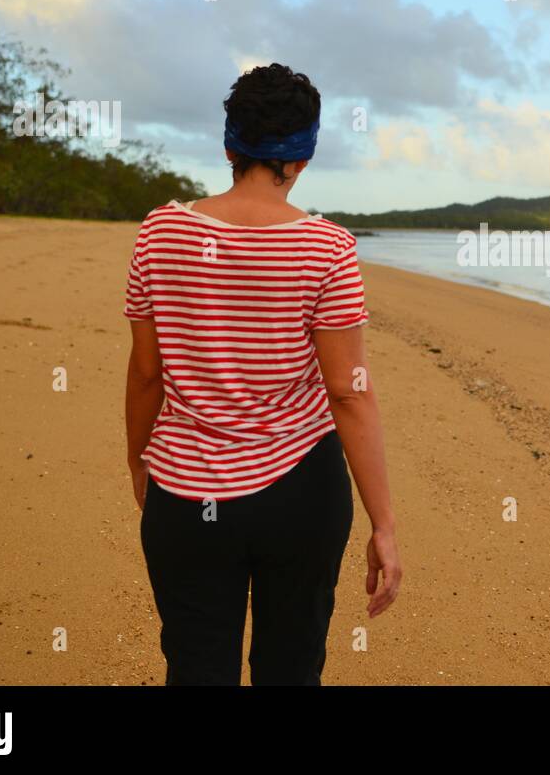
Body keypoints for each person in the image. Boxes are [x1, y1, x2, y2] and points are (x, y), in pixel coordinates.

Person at [122, 64, 400, 685]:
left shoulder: (160, 232)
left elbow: (146, 375)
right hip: (301, 492)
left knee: (195, 668)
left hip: (188, 493)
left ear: (229, 146)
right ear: (303, 158)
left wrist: (140, 461)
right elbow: (348, 394)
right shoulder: (328, 249)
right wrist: (383, 523)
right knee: (291, 669)